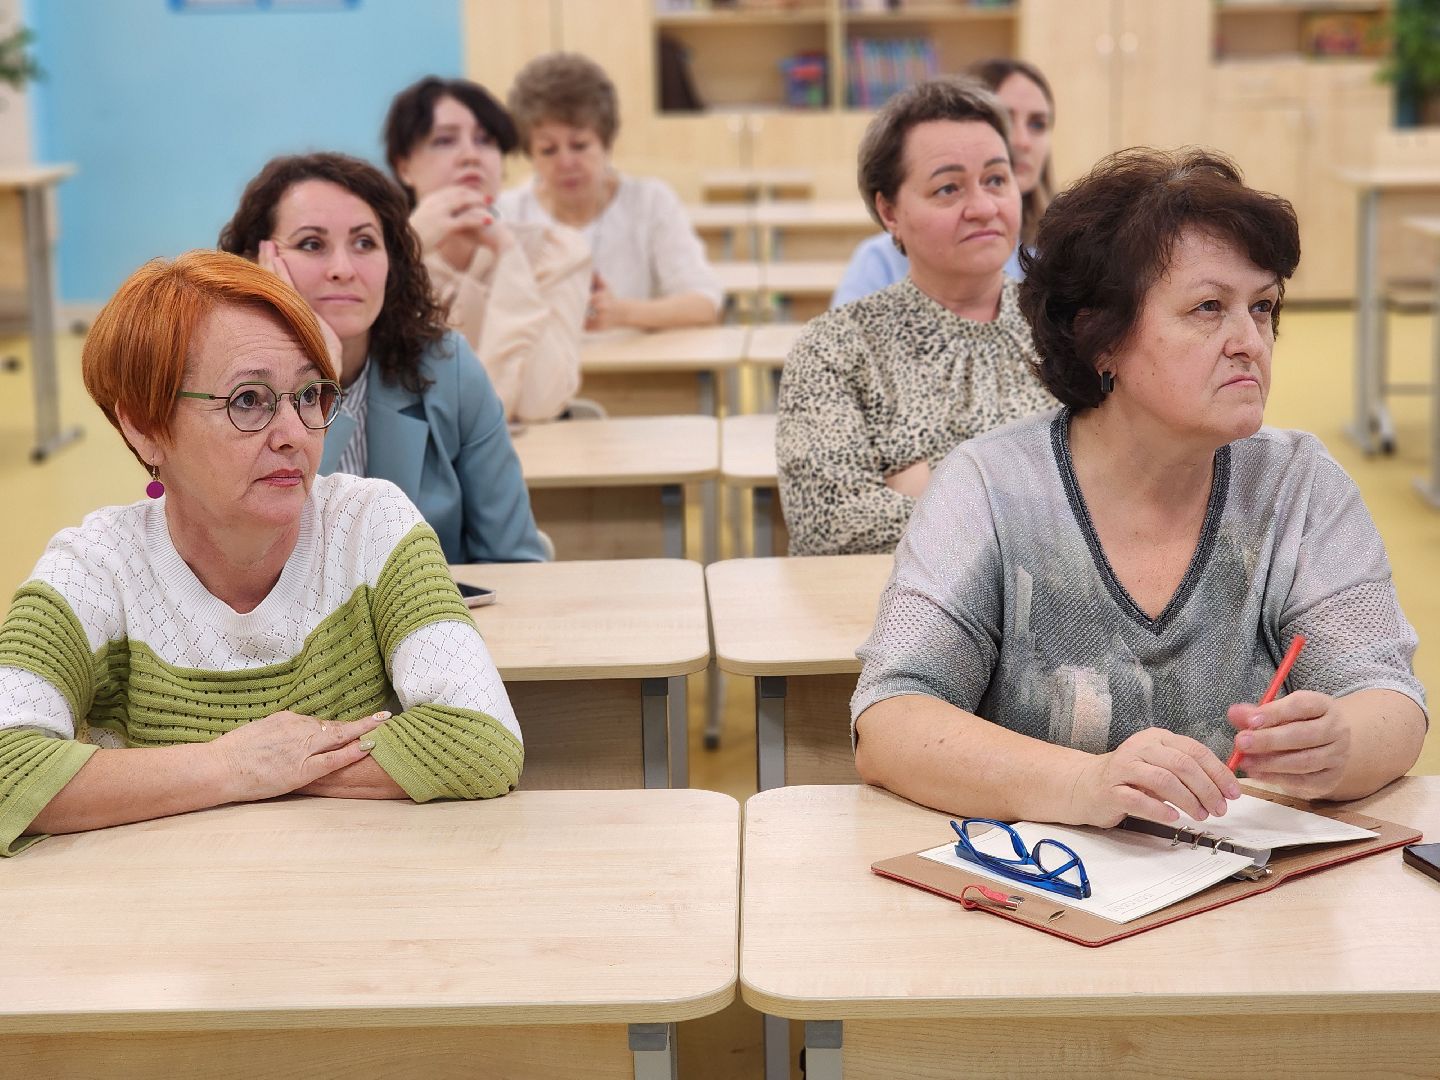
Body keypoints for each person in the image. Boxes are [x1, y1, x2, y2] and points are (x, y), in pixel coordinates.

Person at [851, 148, 1427, 827]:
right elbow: (890, 721)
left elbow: (1389, 701)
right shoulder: (990, 487)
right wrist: (1083, 784)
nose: (1251, 340)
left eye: (1264, 306)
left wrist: (1342, 744)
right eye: (1209, 307)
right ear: (1101, 339)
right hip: (1049, 902)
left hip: (1246, 905)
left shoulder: (1299, 483)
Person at [0, 252, 525, 857]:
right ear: (145, 427)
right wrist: (233, 768)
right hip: (154, 922)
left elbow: (481, 736)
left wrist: (279, 768)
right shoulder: (95, 566)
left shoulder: (369, 524)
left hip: (354, 903)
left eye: (309, 395)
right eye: (249, 400)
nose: (294, 433)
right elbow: (10, 768)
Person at [219, 152, 546, 565]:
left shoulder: (447, 368)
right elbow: (256, 560)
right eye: (311, 244)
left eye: (364, 243)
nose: (342, 269)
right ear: (260, 262)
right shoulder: (227, 386)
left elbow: (515, 559)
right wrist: (320, 381)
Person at [776, 77, 1055, 556]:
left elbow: (1121, 497)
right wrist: (1031, 512)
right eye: (948, 189)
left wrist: (928, 485)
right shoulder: (836, 348)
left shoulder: (1062, 328)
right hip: (897, 617)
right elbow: (831, 527)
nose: (983, 207)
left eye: (995, 179)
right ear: (890, 212)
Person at [384, 75, 590, 422]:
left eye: (486, 141)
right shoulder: (376, 260)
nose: (470, 156)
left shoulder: (554, 251)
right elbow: (387, 406)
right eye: (445, 140)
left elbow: (541, 404)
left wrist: (510, 256)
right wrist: (409, 248)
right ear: (404, 166)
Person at [497, 51, 723, 333]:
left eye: (579, 145)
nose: (566, 163)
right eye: (548, 150)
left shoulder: (650, 202)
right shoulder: (509, 213)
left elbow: (704, 305)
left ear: (606, 142)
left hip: (636, 372)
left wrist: (621, 313)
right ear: (530, 153)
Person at [830, 57, 1055, 306]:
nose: (1023, 141)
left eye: (1038, 124)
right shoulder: (879, 262)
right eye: (949, 188)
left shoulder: (1052, 261)